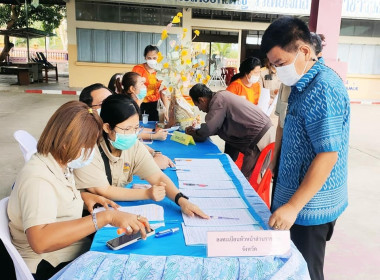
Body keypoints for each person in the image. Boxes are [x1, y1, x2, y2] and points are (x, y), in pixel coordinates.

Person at [7, 101, 151, 279]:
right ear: (67, 143)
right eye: (89, 145)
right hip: (50, 264)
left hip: (71, 250)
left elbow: (54, 196)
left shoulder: (58, 162)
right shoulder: (38, 179)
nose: (92, 152)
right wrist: (106, 217)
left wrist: (84, 196)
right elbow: (40, 241)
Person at [261, 16, 350, 280]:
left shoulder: (323, 87)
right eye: (274, 65)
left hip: (310, 207)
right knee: (289, 267)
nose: (278, 71)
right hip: (293, 196)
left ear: (304, 51)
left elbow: (328, 154)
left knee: (307, 271)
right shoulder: (300, 83)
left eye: (281, 63)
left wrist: (293, 207)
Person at [74, 94, 208, 219]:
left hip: (111, 210)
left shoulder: (132, 145)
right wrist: (147, 194)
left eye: (136, 127)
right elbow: (104, 190)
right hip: (85, 215)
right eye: (127, 129)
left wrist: (182, 200)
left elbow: (157, 176)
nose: (133, 134)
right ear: (108, 128)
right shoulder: (89, 150)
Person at [185, 84, 274, 179]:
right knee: (247, 177)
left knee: (248, 180)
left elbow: (210, 128)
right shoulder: (221, 97)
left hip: (260, 138)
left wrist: (196, 134)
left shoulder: (219, 100)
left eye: (198, 105)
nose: (200, 109)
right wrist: (198, 131)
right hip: (261, 134)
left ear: (202, 100)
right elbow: (219, 127)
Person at [79, 83, 174, 169]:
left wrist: (156, 154)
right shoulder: (85, 139)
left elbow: (134, 143)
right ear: (87, 109)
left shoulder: (114, 131)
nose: (111, 107)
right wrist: (151, 165)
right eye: (103, 104)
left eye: (112, 102)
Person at [132, 45, 169, 121]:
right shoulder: (138, 69)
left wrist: (166, 111)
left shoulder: (161, 71)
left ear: (158, 58)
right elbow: (132, 88)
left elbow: (163, 92)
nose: (152, 60)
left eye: (154, 58)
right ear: (145, 57)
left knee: (154, 125)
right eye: (149, 58)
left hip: (155, 104)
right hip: (139, 103)